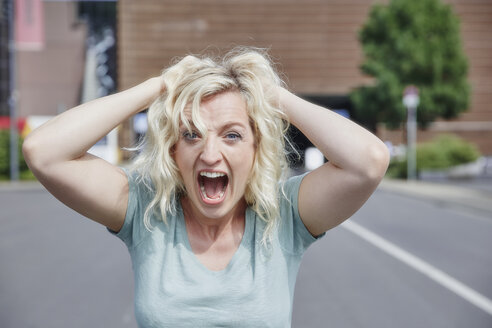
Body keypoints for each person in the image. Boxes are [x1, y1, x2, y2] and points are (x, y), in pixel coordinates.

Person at [23, 47, 390, 327]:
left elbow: (369, 160)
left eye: (232, 135)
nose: (210, 153)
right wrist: (158, 87)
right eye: (192, 135)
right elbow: (43, 152)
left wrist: (272, 96)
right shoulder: (146, 210)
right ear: (173, 150)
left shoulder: (286, 215)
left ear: (255, 147)